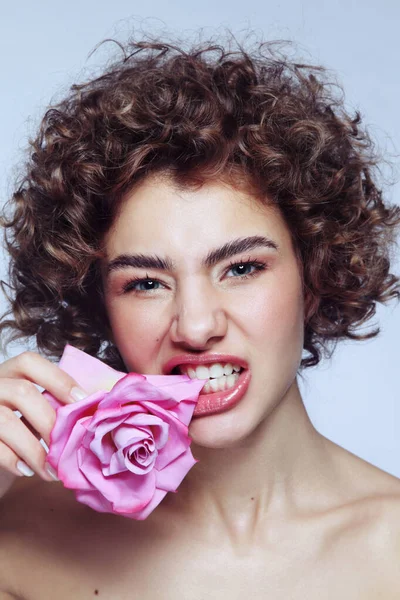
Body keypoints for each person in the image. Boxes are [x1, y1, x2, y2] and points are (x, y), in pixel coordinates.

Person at [0, 31, 399, 599]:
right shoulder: (22, 537)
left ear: (315, 274)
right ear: (100, 307)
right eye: (145, 283)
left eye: (240, 269)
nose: (194, 327)